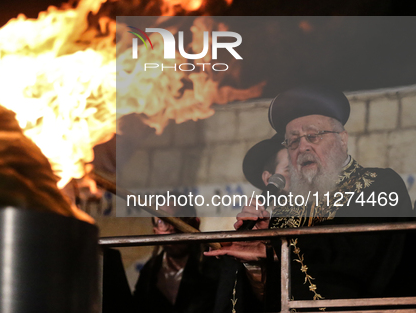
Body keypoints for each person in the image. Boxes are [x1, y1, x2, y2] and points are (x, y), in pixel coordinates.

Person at [206, 86, 414, 309]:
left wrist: (278, 249)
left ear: (342, 140)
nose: (302, 146)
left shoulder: (378, 184)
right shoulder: (286, 211)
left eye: (313, 136)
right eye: (293, 141)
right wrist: (257, 258)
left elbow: (360, 258)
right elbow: (273, 296)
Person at [133, 207, 224, 313]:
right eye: (163, 221)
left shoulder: (217, 266)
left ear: (195, 223)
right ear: (156, 231)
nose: (172, 227)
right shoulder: (149, 272)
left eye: (180, 219)